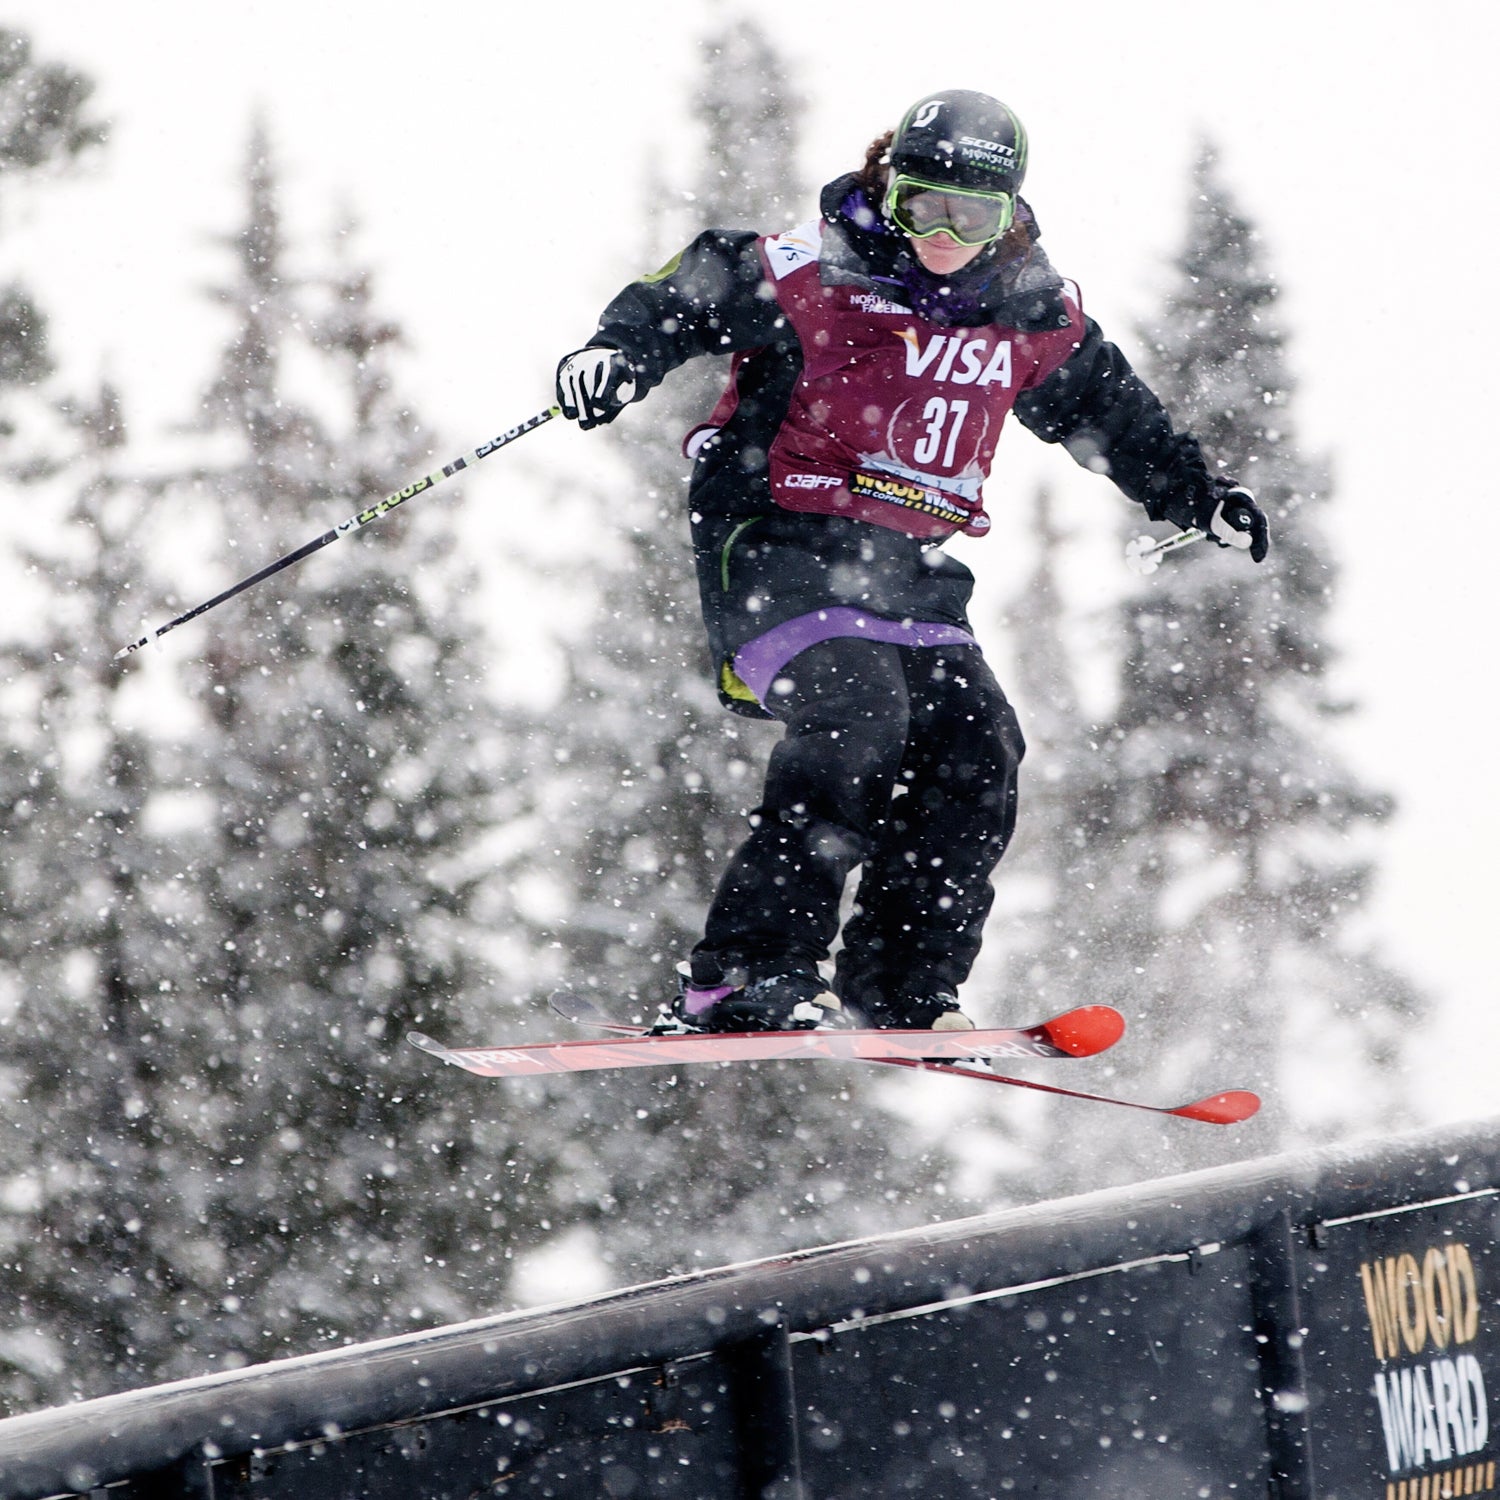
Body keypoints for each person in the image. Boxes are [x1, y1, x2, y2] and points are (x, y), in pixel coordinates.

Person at [555, 89, 1268, 1036]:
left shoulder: (1028, 316)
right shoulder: (805, 274)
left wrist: (1198, 493)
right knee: (858, 718)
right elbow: (680, 291)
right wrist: (613, 355)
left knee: (980, 747)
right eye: (922, 203)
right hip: (775, 545)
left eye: (971, 214)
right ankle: (745, 975)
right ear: (887, 189)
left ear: (1009, 215)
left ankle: (900, 982)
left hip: (907, 568)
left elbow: (1114, 414)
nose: (943, 230)